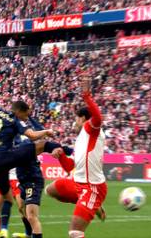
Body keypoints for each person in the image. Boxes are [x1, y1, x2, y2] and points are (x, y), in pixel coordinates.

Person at [0, 77, 72, 238]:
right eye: (26, 115)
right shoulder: (16, 120)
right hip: (4, 158)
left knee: (8, 201)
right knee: (42, 144)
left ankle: (2, 233)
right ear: (19, 112)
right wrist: (45, 131)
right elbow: (31, 135)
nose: (26, 118)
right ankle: (63, 152)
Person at [49, 75, 107, 238]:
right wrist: (60, 156)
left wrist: (86, 96)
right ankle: (92, 205)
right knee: (50, 190)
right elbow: (70, 167)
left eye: (75, 118)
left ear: (82, 119)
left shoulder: (91, 128)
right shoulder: (81, 138)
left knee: (75, 232)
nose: (73, 122)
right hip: (78, 184)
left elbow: (98, 117)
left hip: (92, 187)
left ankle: (92, 203)